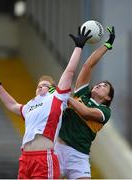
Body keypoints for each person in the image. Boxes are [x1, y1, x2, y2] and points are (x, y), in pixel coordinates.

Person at [0, 26, 92, 179]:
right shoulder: (30, 106)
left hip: (44, 158)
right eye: (39, 85)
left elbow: (69, 71)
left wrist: (78, 47)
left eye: (46, 85)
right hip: (25, 159)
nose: (41, 86)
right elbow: (11, 105)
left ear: (52, 89)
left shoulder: (56, 97)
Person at [54, 26, 115, 179]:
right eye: (99, 83)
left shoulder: (104, 112)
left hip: (79, 157)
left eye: (104, 86)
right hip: (58, 149)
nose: (99, 85)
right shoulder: (82, 94)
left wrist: (64, 96)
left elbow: (85, 112)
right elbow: (88, 65)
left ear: (108, 98)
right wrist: (107, 45)